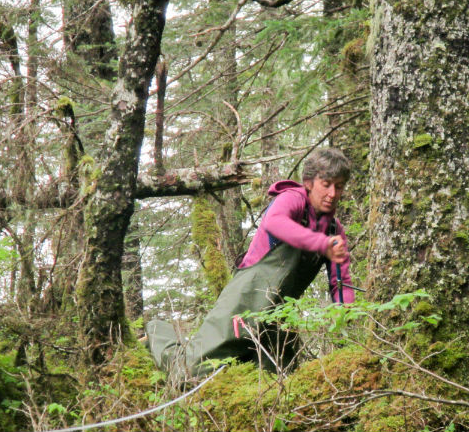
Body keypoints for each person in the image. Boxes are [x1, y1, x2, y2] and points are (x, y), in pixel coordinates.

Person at [147, 148, 354, 383]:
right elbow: (276, 222)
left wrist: (343, 328)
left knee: (272, 386)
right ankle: (156, 332)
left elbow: (340, 285)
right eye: (326, 184)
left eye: (339, 186)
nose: (332, 193)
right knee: (190, 371)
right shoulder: (292, 199)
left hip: (279, 317)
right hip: (244, 300)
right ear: (308, 182)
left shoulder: (334, 231)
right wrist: (321, 243)